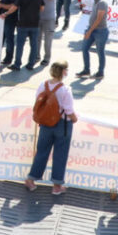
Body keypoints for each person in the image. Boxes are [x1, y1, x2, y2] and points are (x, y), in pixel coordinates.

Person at [25, 61, 77, 195]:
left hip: (45, 123)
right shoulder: (65, 90)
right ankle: (57, 185)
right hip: (62, 125)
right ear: (64, 72)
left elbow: (38, 100)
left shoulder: (43, 85)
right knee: (60, 154)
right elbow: (68, 110)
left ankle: (31, 179)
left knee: (42, 151)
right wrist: (75, 119)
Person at [9, 0, 43, 71]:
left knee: (20, 45)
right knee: (34, 45)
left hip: (23, 23)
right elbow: (42, 8)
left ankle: (17, 64)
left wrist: (6, 13)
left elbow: (14, 8)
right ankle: (31, 64)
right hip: (35, 23)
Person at [76, 0, 109, 80]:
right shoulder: (95, 0)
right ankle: (86, 69)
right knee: (84, 48)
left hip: (100, 31)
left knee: (100, 51)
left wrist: (89, 31)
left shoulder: (102, 3)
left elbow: (99, 19)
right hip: (92, 29)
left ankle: (100, 72)